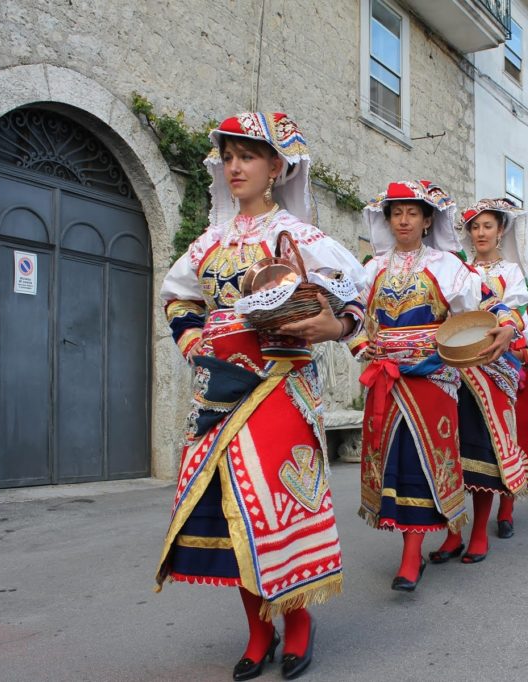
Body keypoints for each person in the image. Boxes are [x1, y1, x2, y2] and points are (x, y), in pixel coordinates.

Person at [156, 112, 367, 680]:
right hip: (216, 394)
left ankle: (297, 622)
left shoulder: (300, 237)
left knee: (276, 505)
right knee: (229, 512)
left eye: (247, 156)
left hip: (279, 386)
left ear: (276, 167)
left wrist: (335, 327)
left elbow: (355, 296)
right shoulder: (210, 241)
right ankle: (258, 629)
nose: (234, 168)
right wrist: (194, 339)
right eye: (227, 157)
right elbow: (177, 297)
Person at [355, 180, 515, 590]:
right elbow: (350, 313)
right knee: (393, 461)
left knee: (421, 461)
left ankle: (412, 556)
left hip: (433, 375)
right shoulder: (370, 269)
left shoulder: (447, 266)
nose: (403, 220)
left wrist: (509, 324)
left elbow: (487, 302)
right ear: (387, 219)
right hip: (385, 378)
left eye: (412, 213)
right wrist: (361, 344)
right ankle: (412, 547)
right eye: (396, 213)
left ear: (428, 220)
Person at [430, 197, 528, 561]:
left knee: (482, 450)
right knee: (448, 451)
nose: (480, 233)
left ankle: (478, 533)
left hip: (494, 366)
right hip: (453, 367)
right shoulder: (455, 269)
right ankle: (452, 531)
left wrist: (507, 329)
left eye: (487, 226)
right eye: (474, 227)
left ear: (500, 230)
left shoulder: (512, 273)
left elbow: (519, 312)